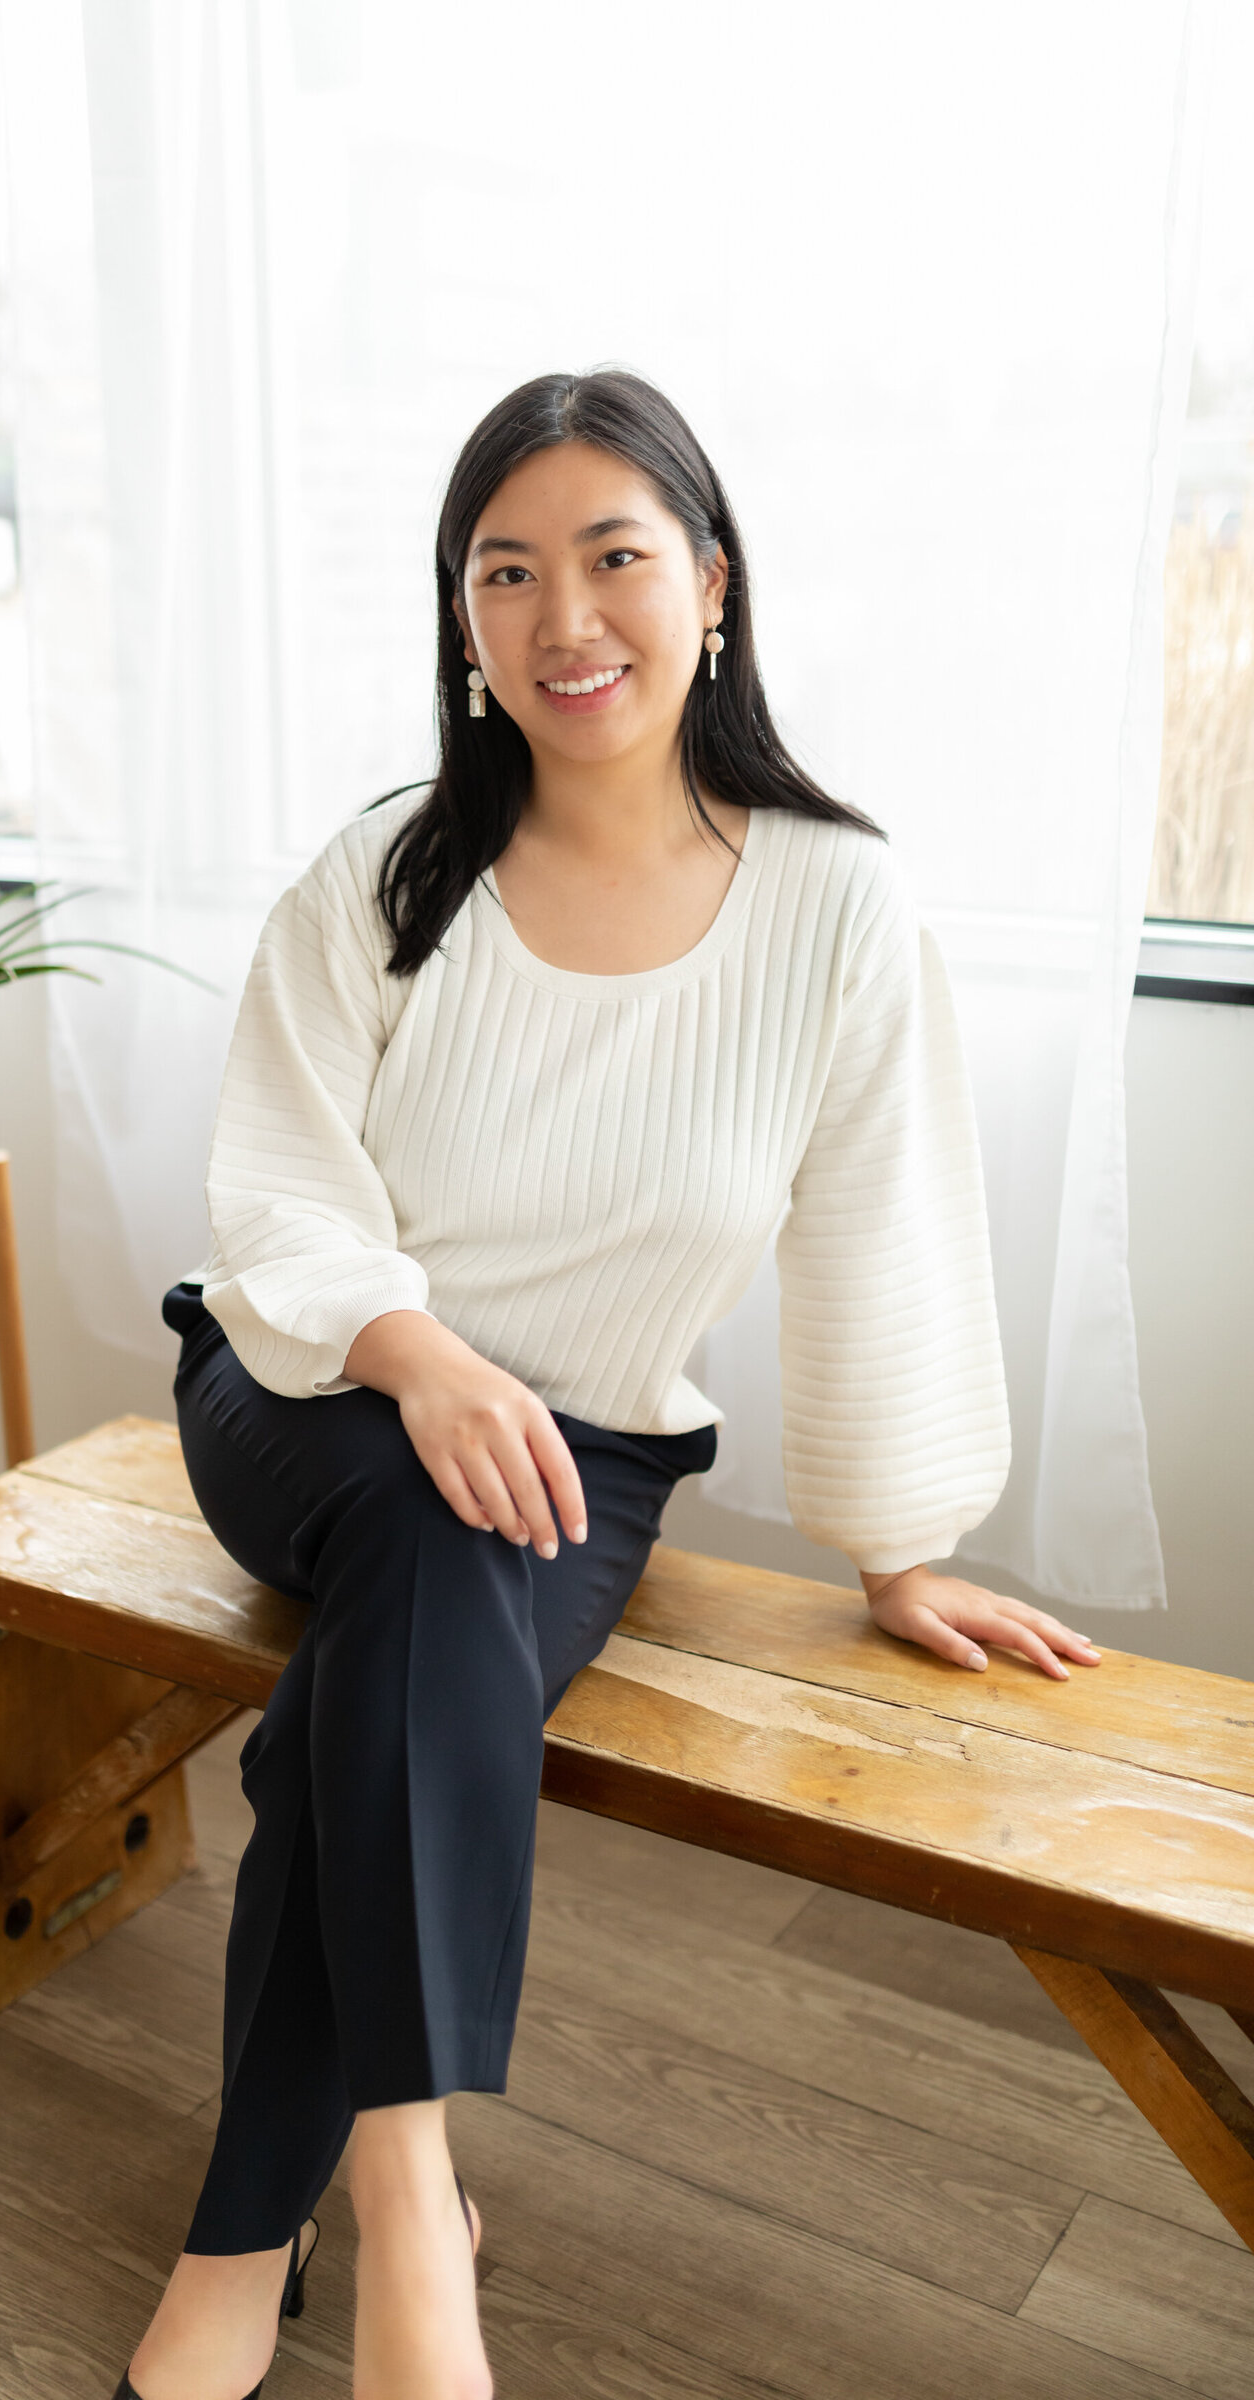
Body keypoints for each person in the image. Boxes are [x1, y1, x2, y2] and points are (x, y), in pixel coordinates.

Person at [111, 368, 1101, 2400]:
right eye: (505, 572)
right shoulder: (387, 875)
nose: (564, 616)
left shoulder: (832, 903)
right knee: (414, 1503)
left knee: (346, 1727)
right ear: (463, 629)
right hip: (303, 1387)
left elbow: (875, 1219)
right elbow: (277, 1190)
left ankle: (242, 2247)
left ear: (710, 588)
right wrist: (421, 1358)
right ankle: (405, 2220)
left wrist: (898, 1544)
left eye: (612, 557)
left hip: (584, 1456)